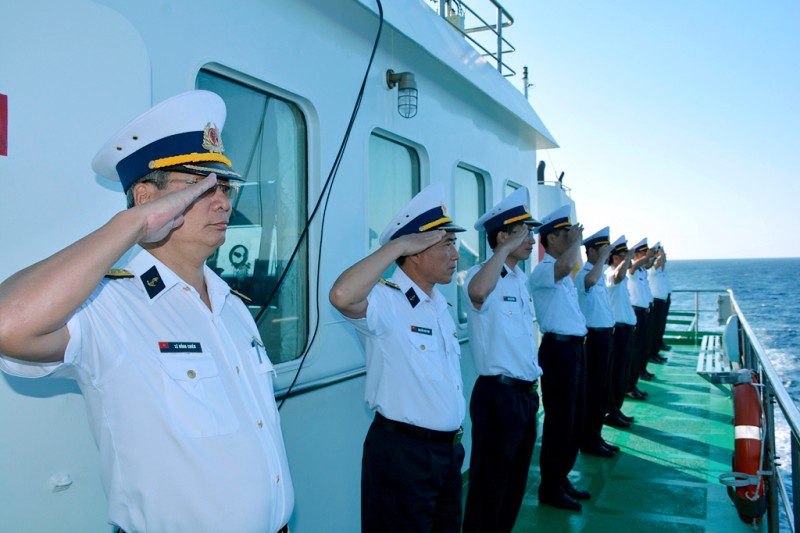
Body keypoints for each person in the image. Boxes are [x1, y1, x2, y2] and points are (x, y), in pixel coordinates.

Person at [0, 91, 294, 533]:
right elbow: (8, 323)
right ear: (145, 197)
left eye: (224, 187)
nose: (222, 201)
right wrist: (133, 225)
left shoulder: (233, 307)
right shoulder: (107, 305)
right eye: (199, 186)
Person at [328, 183, 466, 533]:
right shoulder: (385, 302)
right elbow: (342, 295)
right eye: (447, 244)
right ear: (416, 252)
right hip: (404, 456)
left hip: (448, 454)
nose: (456, 255)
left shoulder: (439, 306)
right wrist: (397, 246)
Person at [462, 188, 542, 533]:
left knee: (513, 485)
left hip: (525, 396)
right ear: (502, 237)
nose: (531, 239)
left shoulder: (520, 280)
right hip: (498, 396)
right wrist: (504, 251)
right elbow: (478, 292)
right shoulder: (481, 275)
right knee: (489, 487)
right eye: (523, 233)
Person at [527, 205, 589, 511]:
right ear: (551, 238)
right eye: (567, 233)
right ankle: (550, 488)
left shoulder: (563, 270)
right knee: (559, 421)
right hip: (558, 352)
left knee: (574, 420)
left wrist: (574, 244)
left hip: (574, 349)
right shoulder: (544, 270)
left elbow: (569, 268)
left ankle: (561, 478)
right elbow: (565, 267)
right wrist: (577, 243)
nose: (572, 238)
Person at [575, 227, 618, 458]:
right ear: (591, 251)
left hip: (605, 336)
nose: (606, 254)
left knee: (602, 389)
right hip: (593, 339)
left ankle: (596, 436)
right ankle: (589, 440)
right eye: (602, 249)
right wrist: (602, 258)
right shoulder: (585, 274)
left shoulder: (599, 274)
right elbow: (589, 280)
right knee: (593, 390)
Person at [604, 235, 637, 428]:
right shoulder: (610, 274)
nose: (629, 259)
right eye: (625, 255)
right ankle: (611, 411)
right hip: (616, 332)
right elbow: (617, 276)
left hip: (625, 331)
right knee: (615, 374)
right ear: (615, 258)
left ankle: (616, 409)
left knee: (622, 372)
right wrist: (628, 259)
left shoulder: (620, 276)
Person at [627, 238, 656, 398]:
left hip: (644, 311)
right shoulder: (630, 270)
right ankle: (630, 385)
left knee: (643, 346)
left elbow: (648, 264)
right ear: (636, 254)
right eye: (643, 252)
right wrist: (648, 256)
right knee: (635, 349)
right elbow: (633, 266)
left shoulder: (642, 271)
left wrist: (653, 257)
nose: (647, 255)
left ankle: (638, 376)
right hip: (636, 312)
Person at [647, 242, 671, 362]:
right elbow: (657, 264)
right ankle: (652, 353)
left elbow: (662, 263)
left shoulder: (660, 269)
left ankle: (656, 350)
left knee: (660, 326)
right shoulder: (652, 269)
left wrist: (662, 256)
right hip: (655, 302)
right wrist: (659, 255)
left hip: (662, 301)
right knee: (654, 329)